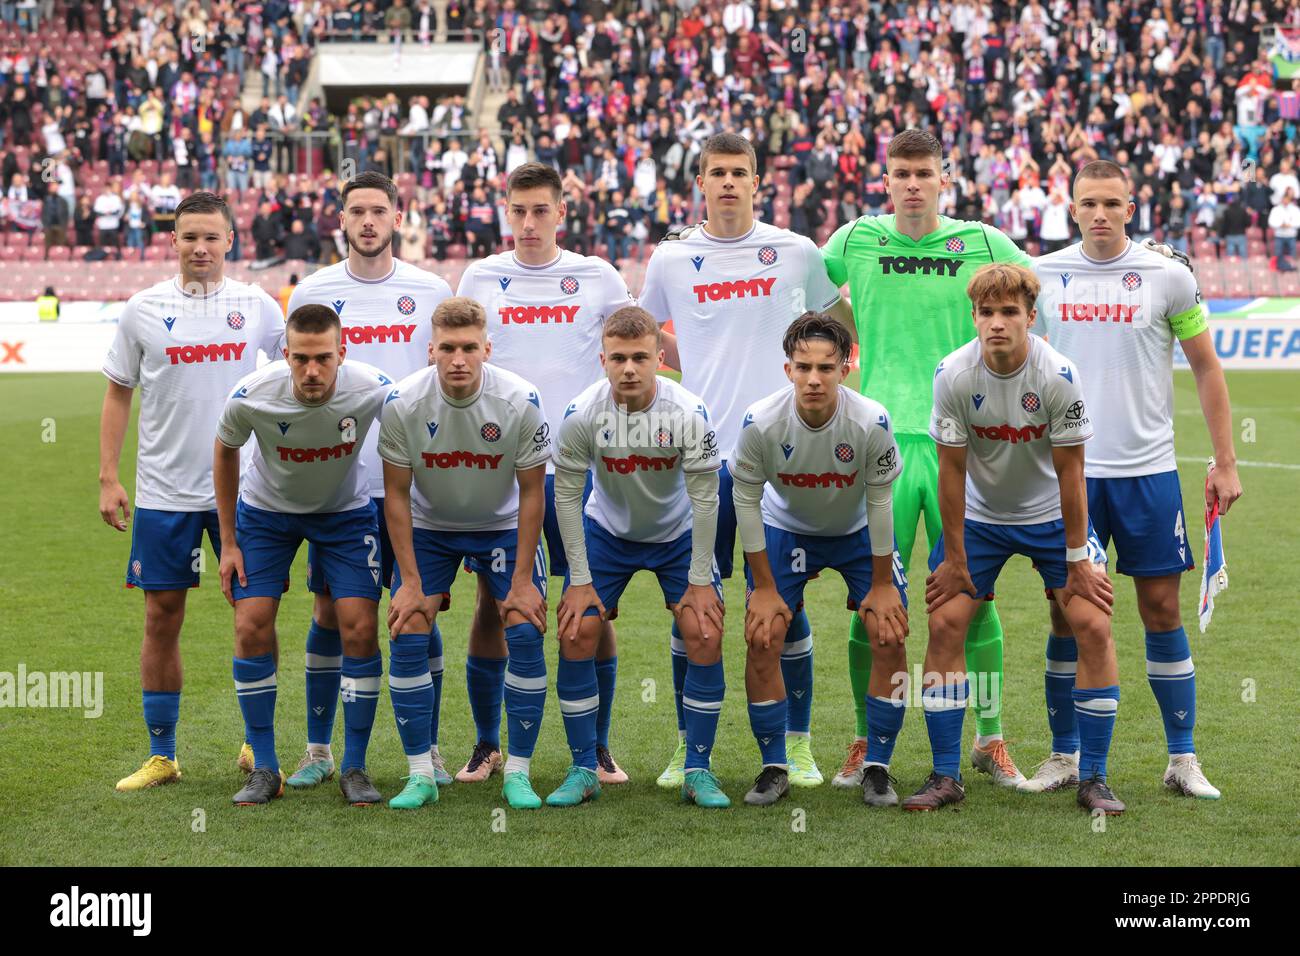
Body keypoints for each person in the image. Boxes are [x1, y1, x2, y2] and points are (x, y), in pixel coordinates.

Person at [821, 128, 1032, 790]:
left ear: (945, 179)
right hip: (878, 441)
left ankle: (990, 739)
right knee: (869, 599)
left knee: (973, 593)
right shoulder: (853, 240)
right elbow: (802, 289)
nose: (913, 183)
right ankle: (865, 741)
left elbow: (1034, 295)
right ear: (886, 180)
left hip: (959, 444)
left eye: (924, 172)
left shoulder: (985, 243)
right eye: (902, 173)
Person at [1026, 160, 1242, 799]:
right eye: (1087, 202)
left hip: (1148, 473)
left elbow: (1206, 368)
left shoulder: (1170, 276)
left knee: (1160, 608)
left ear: (1131, 206)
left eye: (1111, 203)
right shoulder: (1044, 276)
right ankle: (1065, 757)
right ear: (1072, 209)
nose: (1099, 213)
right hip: (1070, 478)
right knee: (1068, 614)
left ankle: (1182, 759)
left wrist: (1225, 460)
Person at [639, 131, 845, 790]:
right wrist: (694, 365)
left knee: (783, 606)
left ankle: (798, 745)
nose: (728, 182)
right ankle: (685, 747)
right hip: (699, 463)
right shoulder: (672, 259)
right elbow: (646, 341)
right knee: (693, 608)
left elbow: (840, 329)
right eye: (716, 172)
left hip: (781, 462)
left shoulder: (796, 252)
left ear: (759, 183)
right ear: (699, 182)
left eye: (739, 172)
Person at [454, 162, 636, 786]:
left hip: (582, 468)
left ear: (562, 212)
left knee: (590, 607)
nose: (529, 223)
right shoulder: (481, 276)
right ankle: (486, 744)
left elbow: (629, 353)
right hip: (501, 474)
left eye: (540, 211)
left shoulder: (598, 277)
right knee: (495, 602)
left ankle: (600, 746)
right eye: (518, 211)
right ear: (507, 212)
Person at [918, 262, 1121, 815]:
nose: (997, 323)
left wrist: (1079, 559)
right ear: (975, 318)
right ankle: (945, 775)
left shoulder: (1058, 374)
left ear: (1031, 317)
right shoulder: (953, 374)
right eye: (987, 313)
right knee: (945, 621)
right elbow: (951, 472)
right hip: (982, 518)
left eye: (1010, 312)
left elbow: (1072, 474)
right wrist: (955, 558)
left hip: (1053, 518)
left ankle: (1094, 777)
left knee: (1092, 625)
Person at [101, 191, 285, 792]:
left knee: (252, 616)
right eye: (189, 237)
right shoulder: (142, 309)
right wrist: (109, 476)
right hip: (163, 493)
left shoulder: (257, 307)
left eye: (211, 237)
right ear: (173, 241)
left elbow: (296, 376)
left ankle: (256, 745)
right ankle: (163, 755)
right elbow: (118, 391)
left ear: (231, 240)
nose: (200, 247)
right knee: (160, 617)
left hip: (245, 493)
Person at [283, 170, 452, 788]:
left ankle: (427, 748)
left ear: (399, 217)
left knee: (421, 609)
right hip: (340, 485)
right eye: (358, 211)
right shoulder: (317, 289)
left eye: (380, 210)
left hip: (414, 481)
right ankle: (319, 751)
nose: (369, 221)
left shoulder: (430, 289)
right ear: (343, 220)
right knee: (331, 610)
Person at [214, 304, 394, 806]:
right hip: (266, 513)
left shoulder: (374, 387)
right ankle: (265, 769)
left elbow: (411, 443)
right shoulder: (251, 396)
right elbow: (225, 449)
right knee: (251, 623)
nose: (312, 371)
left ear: (343, 352)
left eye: (323, 358)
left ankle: (354, 767)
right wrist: (228, 543)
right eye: (300, 359)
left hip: (343, 512)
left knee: (358, 624)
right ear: (285, 354)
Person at [552, 306, 728, 807]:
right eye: (619, 358)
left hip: (677, 532)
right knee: (577, 628)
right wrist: (580, 580)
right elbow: (565, 497)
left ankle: (698, 768)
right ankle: (584, 767)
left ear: (659, 359)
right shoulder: (582, 413)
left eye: (640, 358)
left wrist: (698, 580)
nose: (629, 369)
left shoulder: (687, 413)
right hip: (608, 530)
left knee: (703, 629)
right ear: (602, 359)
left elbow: (706, 497)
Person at [380, 296, 551, 809]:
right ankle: (420, 776)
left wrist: (522, 579)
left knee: (522, 626)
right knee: (407, 625)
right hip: (432, 527)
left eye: (469, 348)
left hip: (500, 526)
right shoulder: (402, 403)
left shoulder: (520, 399)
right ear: (430, 350)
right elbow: (394, 495)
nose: (458, 359)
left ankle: (517, 771)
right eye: (448, 348)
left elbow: (533, 493)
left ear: (487, 348)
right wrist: (409, 582)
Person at [733, 313, 907, 807]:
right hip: (787, 530)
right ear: (787, 368)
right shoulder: (760, 421)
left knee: (887, 630)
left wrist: (880, 584)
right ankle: (774, 764)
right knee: (763, 634)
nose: (814, 379)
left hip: (855, 533)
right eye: (803, 366)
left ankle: (878, 765)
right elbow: (746, 500)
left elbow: (879, 502)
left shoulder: (870, 421)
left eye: (826, 368)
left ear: (845, 368)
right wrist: (763, 588)